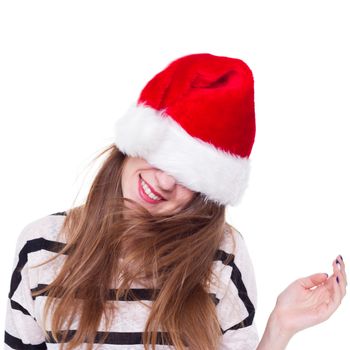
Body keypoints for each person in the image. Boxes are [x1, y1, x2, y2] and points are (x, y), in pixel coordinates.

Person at [4, 53, 347, 350]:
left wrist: (280, 327)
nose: (165, 182)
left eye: (191, 177)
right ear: (135, 141)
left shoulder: (223, 254)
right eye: (164, 157)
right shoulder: (41, 246)